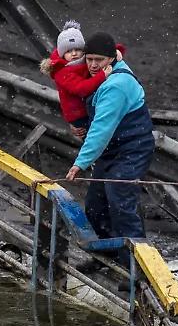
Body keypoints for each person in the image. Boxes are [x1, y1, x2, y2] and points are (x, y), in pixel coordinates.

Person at [66, 32, 155, 266]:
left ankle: (135, 267)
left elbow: (102, 129)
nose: (93, 66)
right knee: (96, 204)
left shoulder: (118, 84)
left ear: (112, 59)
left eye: (99, 60)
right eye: (89, 59)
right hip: (112, 149)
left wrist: (80, 163)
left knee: (120, 199)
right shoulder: (99, 75)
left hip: (133, 148)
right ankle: (105, 256)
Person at [39, 21, 124, 139]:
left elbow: (101, 51)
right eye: (68, 51)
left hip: (88, 107)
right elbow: (81, 89)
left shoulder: (84, 59)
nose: (74, 54)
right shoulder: (62, 72)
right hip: (79, 116)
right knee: (96, 139)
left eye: (77, 49)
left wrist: (116, 51)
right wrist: (102, 75)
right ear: (61, 53)